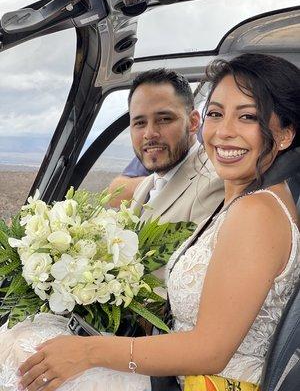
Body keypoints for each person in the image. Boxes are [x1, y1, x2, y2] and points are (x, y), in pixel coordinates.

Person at [0, 53, 300, 391]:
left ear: (285, 134)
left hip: (210, 382)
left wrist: (90, 351)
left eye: (247, 117)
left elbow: (211, 351)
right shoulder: (246, 202)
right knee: (26, 338)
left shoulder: (255, 213)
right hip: (188, 372)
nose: (224, 132)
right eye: (217, 114)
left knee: (17, 354)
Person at [111, 68, 224, 225]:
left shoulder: (213, 185)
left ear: (193, 123)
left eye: (164, 119)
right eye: (140, 123)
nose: (149, 133)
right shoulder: (147, 185)